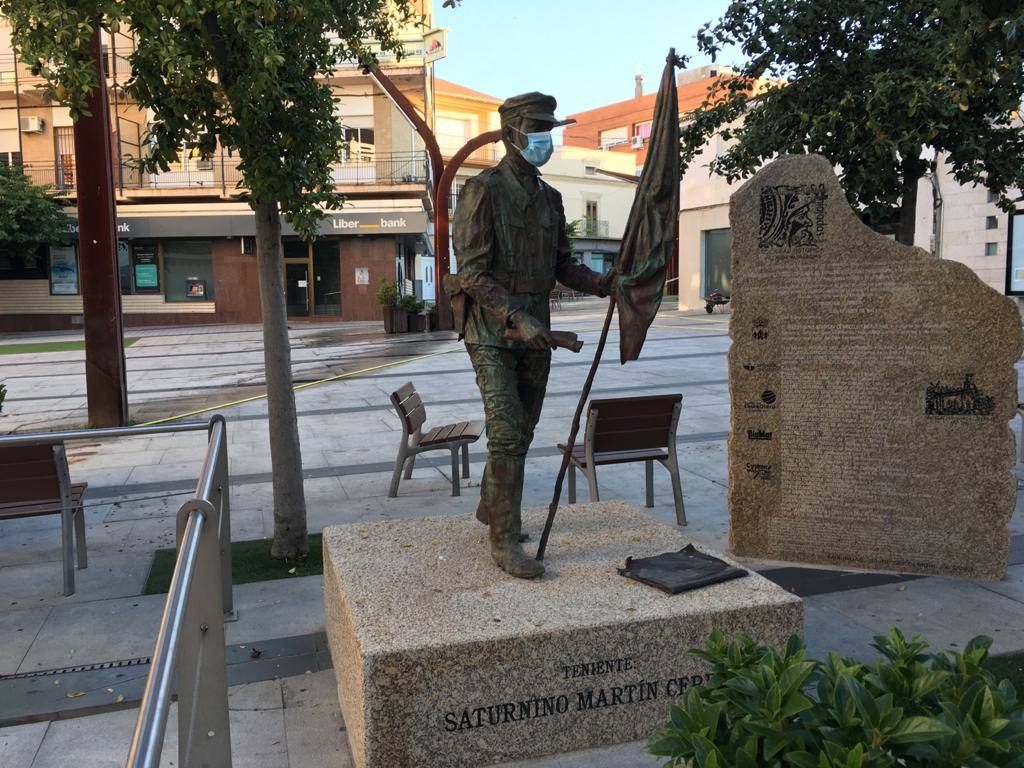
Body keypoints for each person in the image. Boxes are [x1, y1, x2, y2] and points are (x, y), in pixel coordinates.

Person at [447, 92, 616, 579]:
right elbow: (473, 273)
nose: (545, 140)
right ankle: (503, 539)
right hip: (492, 330)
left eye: (549, 131)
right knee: (505, 432)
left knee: (523, 431)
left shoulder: (551, 198)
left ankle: (490, 506)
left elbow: (562, 263)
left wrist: (601, 283)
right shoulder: (482, 190)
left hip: (537, 333)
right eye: (537, 131)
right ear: (510, 136)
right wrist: (518, 317)